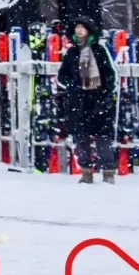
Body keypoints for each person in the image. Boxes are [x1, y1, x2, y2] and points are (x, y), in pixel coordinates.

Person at [57, 20, 117, 183]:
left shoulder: (99, 51)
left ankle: (108, 172)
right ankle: (86, 172)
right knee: (81, 137)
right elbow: (62, 75)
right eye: (77, 27)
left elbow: (109, 74)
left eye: (82, 28)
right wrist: (73, 85)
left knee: (103, 137)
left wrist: (105, 93)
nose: (79, 30)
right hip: (78, 100)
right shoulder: (71, 53)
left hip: (98, 98)